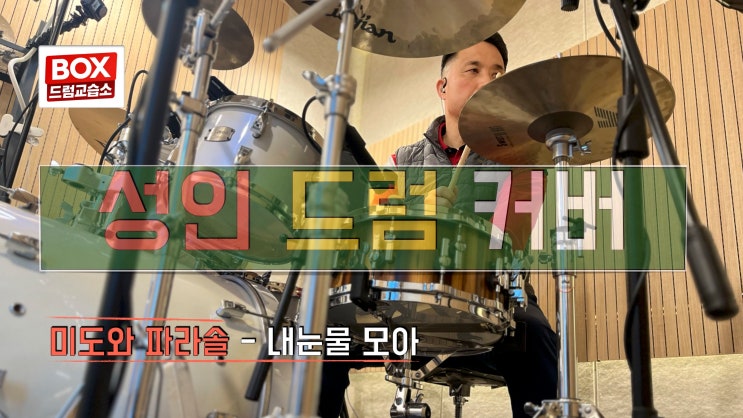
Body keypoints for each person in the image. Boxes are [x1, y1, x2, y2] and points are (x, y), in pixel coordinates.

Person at [319, 33, 558, 418]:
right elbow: (378, 236)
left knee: (537, 336)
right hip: (401, 300)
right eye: (473, 70)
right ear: (442, 87)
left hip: (490, 299)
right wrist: (416, 211)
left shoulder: (521, 159)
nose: (487, 81)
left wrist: (447, 222)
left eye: (497, 74)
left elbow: (509, 247)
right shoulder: (403, 160)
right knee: (323, 334)